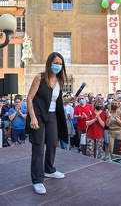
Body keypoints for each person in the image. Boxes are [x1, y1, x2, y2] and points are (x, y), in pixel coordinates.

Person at [26, 52, 74, 195]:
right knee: (38, 147)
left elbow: (54, 100)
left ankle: (49, 169)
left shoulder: (60, 81)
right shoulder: (39, 78)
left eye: (60, 64)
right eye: (56, 63)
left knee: (53, 143)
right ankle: (37, 180)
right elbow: (29, 99)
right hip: (38, 115)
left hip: (52, 115)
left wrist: (66, 101)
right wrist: (33, 118)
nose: (58, 66)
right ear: (49, 63)